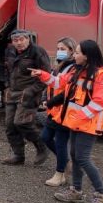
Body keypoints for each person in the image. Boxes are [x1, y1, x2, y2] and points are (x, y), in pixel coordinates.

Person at [30, 39, 103, 203]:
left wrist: (79, 116)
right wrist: (41, 74)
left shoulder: (101, 75)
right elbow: (58, 82)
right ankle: (76, 191)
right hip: (77, 123)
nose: (74, 55)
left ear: (87, 55)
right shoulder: (78, 71)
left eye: (77, 53)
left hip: (88, 125)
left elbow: (99, 102)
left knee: (82, 158)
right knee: (76, 156)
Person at [1, 29, 51, 165]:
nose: (19, 43)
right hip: (12, 92)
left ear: (28, 39)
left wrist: (31, 91)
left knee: (22, 122)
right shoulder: (10, 51)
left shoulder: (37, 52)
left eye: (22, 39)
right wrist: (6, 85)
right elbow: (6, 69)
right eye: (15, 40)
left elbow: (46, 75)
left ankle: (42, 146)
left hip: (29, 93)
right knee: (10, 125)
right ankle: (18, 156)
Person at [39, 37, 77, 186]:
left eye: (63, 49)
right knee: (46, 137)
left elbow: (65, 92)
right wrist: (45, 98)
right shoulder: (58, 66)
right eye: (58, 48)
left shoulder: (73, 68)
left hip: (64, 111)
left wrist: (50, 102)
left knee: (61, 143)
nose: (59, 52)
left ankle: (59, 174)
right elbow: (50, 84)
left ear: (71, 51)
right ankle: (65, 161)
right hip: (54, 110)